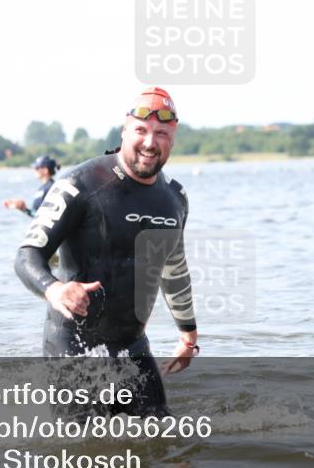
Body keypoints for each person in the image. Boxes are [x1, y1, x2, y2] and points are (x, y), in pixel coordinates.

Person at [14, 87, 198, 416]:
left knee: (167, 442)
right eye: (141, 131)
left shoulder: (175, 199)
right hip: (73, 344)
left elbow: (174, 270)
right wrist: (54, 289)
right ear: (125, 131)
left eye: (161, 133)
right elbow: (27, 255)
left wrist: (187, 336)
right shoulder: (80, 183)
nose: (150, 143)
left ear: (174, 136)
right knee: (83, 454)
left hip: (132, 346)